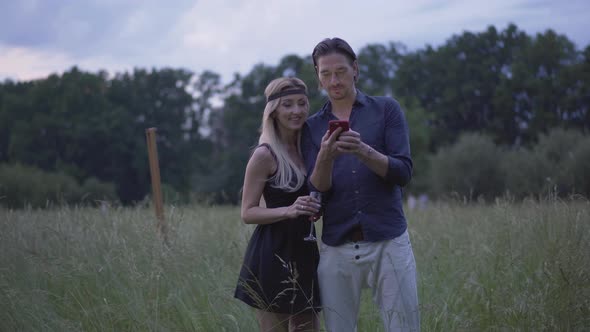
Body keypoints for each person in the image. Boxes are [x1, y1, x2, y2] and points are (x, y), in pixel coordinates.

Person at [301, 37, 420, 331]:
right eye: (325, 73)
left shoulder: (386, 110)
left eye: (340, 71)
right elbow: (316, 189)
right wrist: (325, 158)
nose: (334, 80)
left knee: (403, 327)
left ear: (355, 69)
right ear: (317, 75)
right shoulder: (312, 126)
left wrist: (363, 151)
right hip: (337, 244)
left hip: (388, 239)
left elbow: (403, 172)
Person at [234, 77, 322, 332]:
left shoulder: (310, 149)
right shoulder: (264, 154)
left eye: (302, 103)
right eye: (287, 105)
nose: (296, 111)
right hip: (272, 253)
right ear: (274, 110)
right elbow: (247, 212)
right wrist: (289, 210)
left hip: (306, 252)